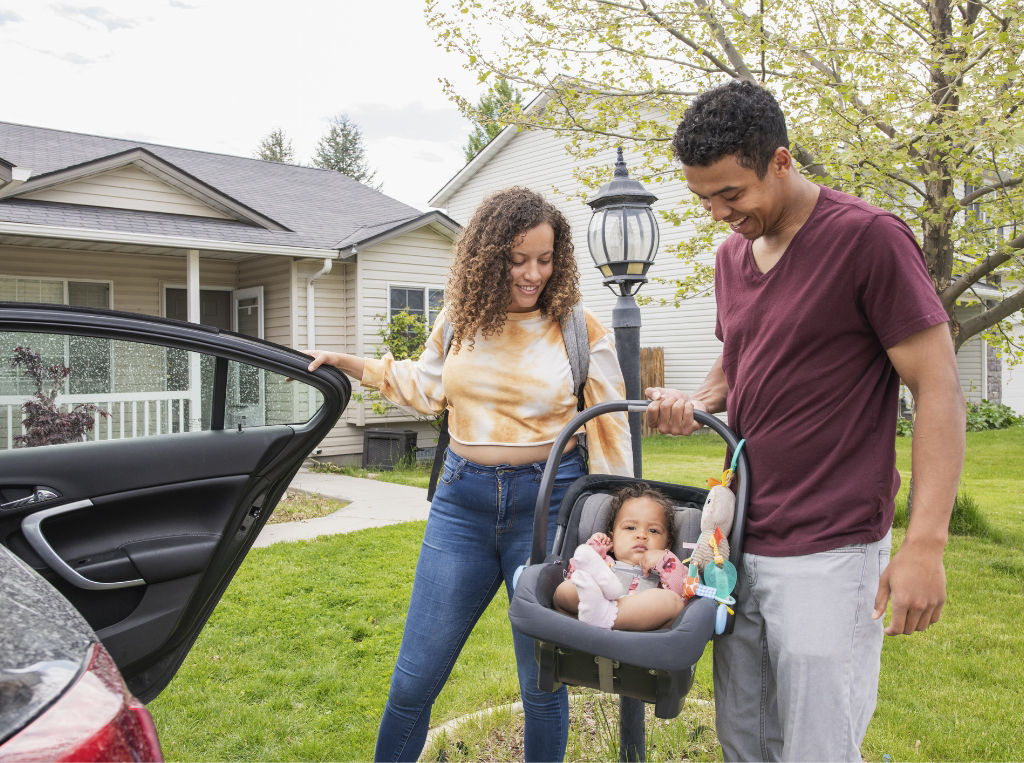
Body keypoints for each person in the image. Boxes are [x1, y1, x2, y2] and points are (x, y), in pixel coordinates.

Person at [644, 80, 966, 761]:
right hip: (738, 547)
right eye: (703, 197)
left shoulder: (868, 241)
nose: (717, 212)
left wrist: (926, 543)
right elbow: (743, 357)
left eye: (731, 194)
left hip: (831, 551)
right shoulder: (732, 254)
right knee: (745, 742)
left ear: (782, 162)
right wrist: (697, 401)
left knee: (818, 749)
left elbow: (937, 386)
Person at [306, 186, 632, 762]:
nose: (533, 273)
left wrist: (619, 528)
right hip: (462, 507)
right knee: (412, 683)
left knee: (542, 684)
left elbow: (609, 435)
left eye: (545, 258)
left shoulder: (581, 331)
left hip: (548, 509)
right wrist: (356, 365)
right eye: (517, 259)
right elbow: (429, 387)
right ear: (488, 255)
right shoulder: (461, 320)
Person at [553, 482, 690, 630]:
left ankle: (604, 616)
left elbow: (685, 592)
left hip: (643, 626)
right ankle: (598, 613)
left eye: (653, 531)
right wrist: (594, 550)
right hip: (594, 603)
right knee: (565, 589)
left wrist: (664, 560)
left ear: (668, 543)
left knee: (671, 602)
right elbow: (574, 574)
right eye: (630, 528)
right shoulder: (603, 563)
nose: (641, 535)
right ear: (613, 537)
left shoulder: (667, 569)